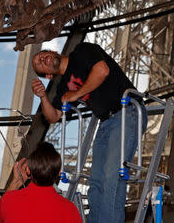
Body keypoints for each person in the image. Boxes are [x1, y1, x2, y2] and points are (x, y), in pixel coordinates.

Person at [31, 42, 148, 223]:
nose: (43, 58)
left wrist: (77, 94)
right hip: (106, 123)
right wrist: (42, 97)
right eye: (40, 63)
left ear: (53, 51)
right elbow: (53, 116)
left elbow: (102, 71)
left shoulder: (82, 51)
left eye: (42, 55)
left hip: (127, 113)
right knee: (95, 183)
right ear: (48, 75)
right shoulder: (64, 87)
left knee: (112, 178)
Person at [0, 142, 82, 223]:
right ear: (59, 172)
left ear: (28, 169)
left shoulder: (8, 200)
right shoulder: (69, 210)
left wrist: (16, 182)